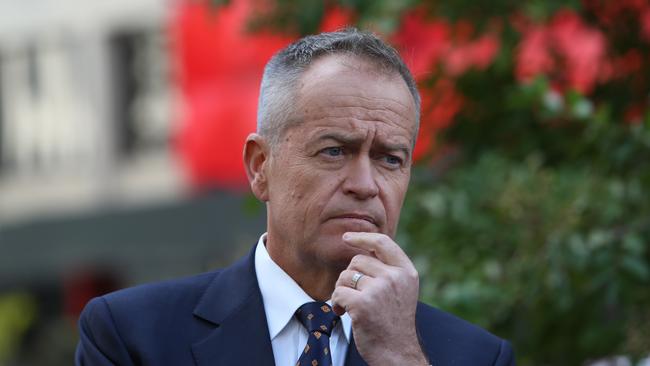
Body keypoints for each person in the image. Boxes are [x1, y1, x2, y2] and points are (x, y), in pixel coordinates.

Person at [75, 28, 515, 366]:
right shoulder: (133, 335)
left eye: (389, 159)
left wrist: (399, 356)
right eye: (334, 151)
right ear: (260, 166)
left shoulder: (473, 356)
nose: (364, 184)